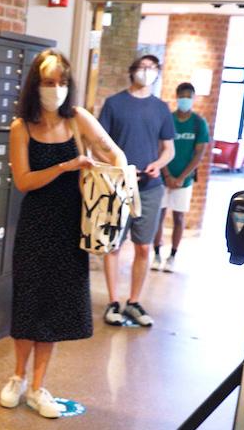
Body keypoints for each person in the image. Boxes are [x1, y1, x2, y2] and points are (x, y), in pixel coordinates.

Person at [0, 50, 126, 418]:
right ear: (34, 85)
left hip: (72, 224)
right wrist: (68, 165)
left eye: (61, 82)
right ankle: (17, 377)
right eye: (48, 82)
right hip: (36, 223)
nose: (55, 89)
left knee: (54, 305)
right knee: (29, 298)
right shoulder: (21, 127)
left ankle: (38, 385)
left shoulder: (77, 119)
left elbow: (113, 152)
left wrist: (109, 176)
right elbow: (24, 181)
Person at [96, 55, 175, 327]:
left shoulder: (161, 108)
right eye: (142, 67)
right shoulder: (114, 104)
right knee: (114, 244)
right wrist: (118, 166)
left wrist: (158, 164)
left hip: (150, 187)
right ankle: (113, 301)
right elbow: (100, 144)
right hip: (118, 185)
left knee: (144, 246)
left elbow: (169, 149)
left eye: (152, 68)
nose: (146, 72)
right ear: (132, 71)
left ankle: (133, 301)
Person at [152, 82, 212, 273]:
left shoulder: (198, 123)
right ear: (177, 96)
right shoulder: (167, 119)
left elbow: (199, 154)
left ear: (193, 98)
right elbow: (160, 148)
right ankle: (156, 254)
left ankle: (172, 256)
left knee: (179, 217)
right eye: (182, 95)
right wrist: (167, 174)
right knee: (158, 216)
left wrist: (181, 178)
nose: (185, 99)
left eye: (189, 96)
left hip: (184, 180)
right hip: (163, 176)